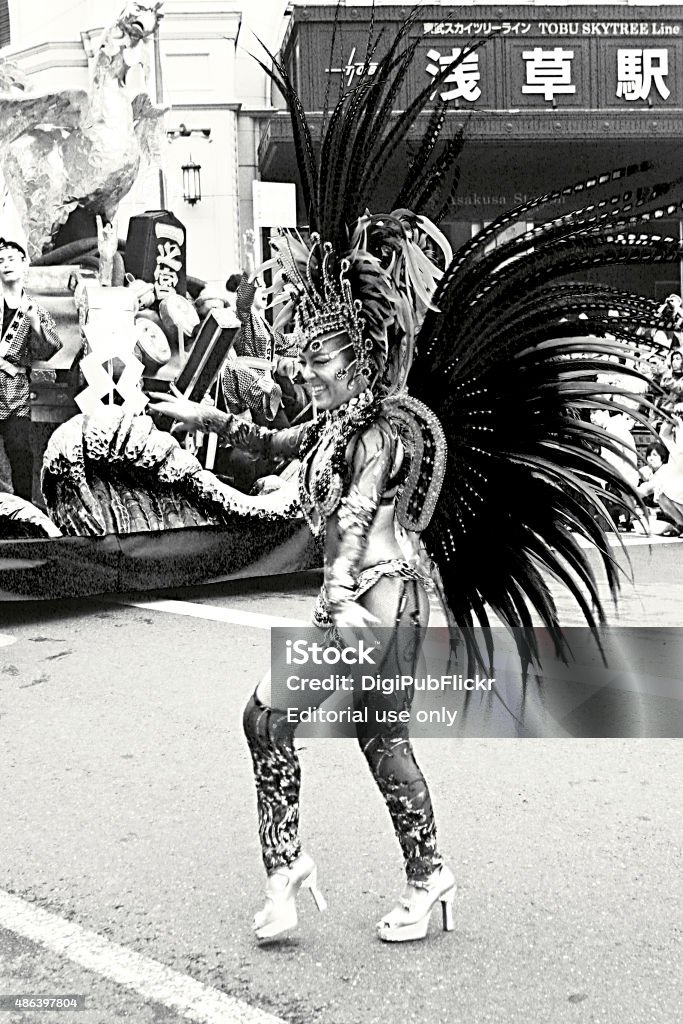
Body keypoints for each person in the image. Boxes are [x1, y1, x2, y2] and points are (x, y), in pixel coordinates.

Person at [150, 22, 682, 946]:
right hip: (375, 602)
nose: (303, 370)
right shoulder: (340, 421)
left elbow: (354, 519)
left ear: (357, 358)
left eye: (317, 358)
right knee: (374, 739)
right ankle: (424, 875)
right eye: (302, 356)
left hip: (377, 599)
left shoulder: (387, 434)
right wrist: (203, 423)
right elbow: (280, 442)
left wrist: (328, 595)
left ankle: (292, 874)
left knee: (267, 721)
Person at [0, 238, 62, 501]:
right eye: (0, 260)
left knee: (21, 454)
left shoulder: (34, 308)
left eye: (12, 259)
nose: (5, 265)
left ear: (25, 264)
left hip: (15, 391)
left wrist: (34, 321)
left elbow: (49, 349)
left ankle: (24, 511)